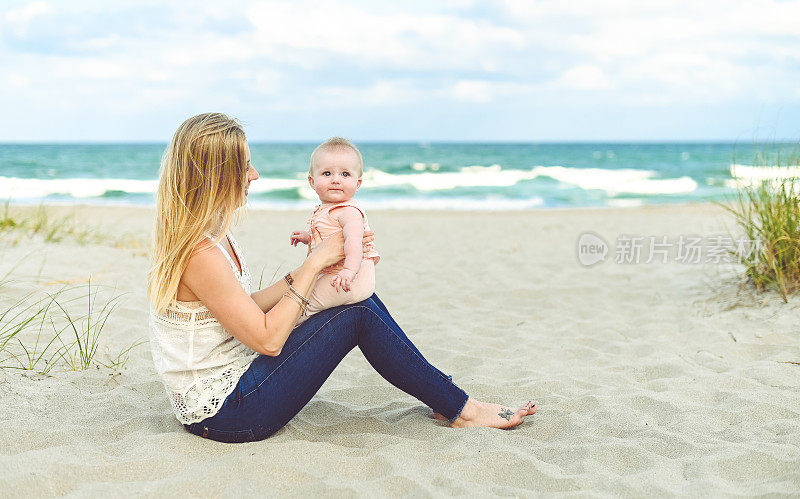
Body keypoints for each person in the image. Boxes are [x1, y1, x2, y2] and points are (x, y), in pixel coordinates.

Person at [147, 113, 537, 443]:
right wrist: (317, 264)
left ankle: (447, 399)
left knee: (358, 300)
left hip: (240, 381)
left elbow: (242, 310)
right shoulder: (200, 254)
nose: (255, 173)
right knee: (358, 313)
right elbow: (266, 340)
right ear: (217, 175)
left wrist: (317, 267)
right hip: (227, 414)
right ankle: (459, 407)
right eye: (245, 165)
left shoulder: (215, 235)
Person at [289, 137, 379, 324]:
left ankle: (289, 327)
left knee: (304, 301)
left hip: (350, 279)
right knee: (304, 291)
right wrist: (309, 238)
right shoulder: (329, 210)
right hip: (341, 276)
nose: (336, 180)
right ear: (312, 181)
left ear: (358, 183)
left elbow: (353, 242)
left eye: (345, 174)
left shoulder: (348, 212)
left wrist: (348, 271)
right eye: (327, 173)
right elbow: (329, 240)